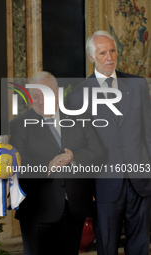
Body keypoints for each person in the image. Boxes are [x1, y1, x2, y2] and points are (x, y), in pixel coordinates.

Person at [68, 30, 151, 255]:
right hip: (104, 185)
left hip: (140, 180)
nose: (109, 57)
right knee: (107, 246)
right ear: (92, 58)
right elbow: (79, 147)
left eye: (112, 51)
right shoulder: (78, 95)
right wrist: (87, 188)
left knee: (141, 245)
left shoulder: (138, 85)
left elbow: (147, 132)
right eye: (103, 53)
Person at [9, 71, 106, 255]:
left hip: (73, 209)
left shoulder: (79, 118)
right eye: (34, 96)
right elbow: (18, 163)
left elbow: (98, 152)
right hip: (37, 212)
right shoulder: (19, 125)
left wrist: (74, 156)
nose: (39, 101)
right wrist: (47, 165)